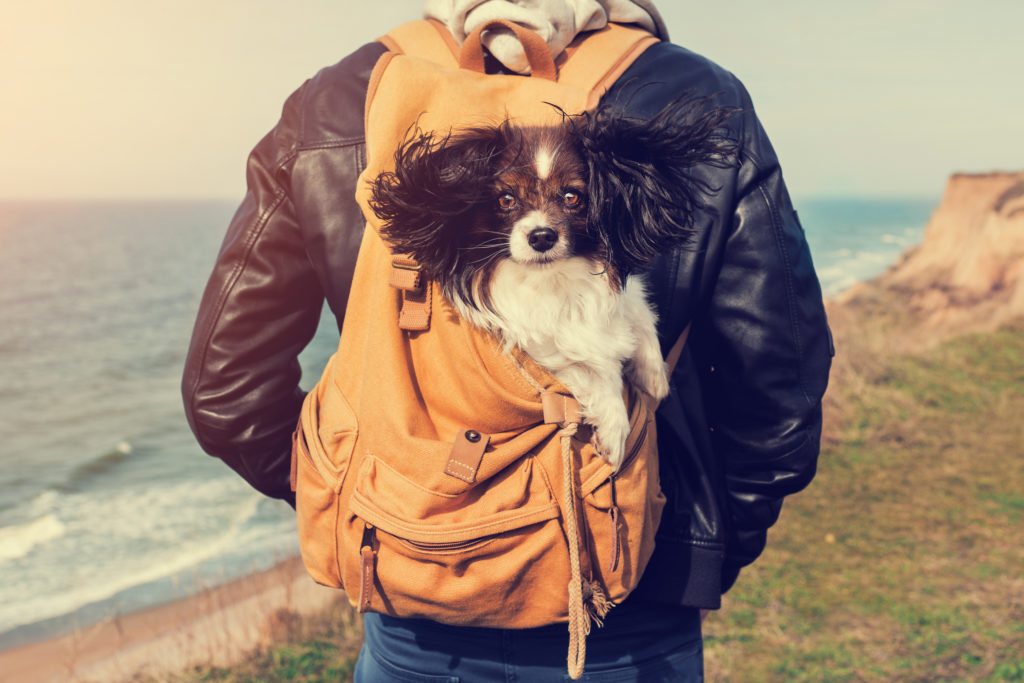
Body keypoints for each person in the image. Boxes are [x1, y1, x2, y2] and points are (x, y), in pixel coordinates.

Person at [182, 1, 832, 680]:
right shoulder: (699, 96)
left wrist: (375, 503)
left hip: (415, 602)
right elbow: (779, 381)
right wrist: (693, 550)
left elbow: (224, 392)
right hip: (630, 605)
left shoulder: (335, 100)